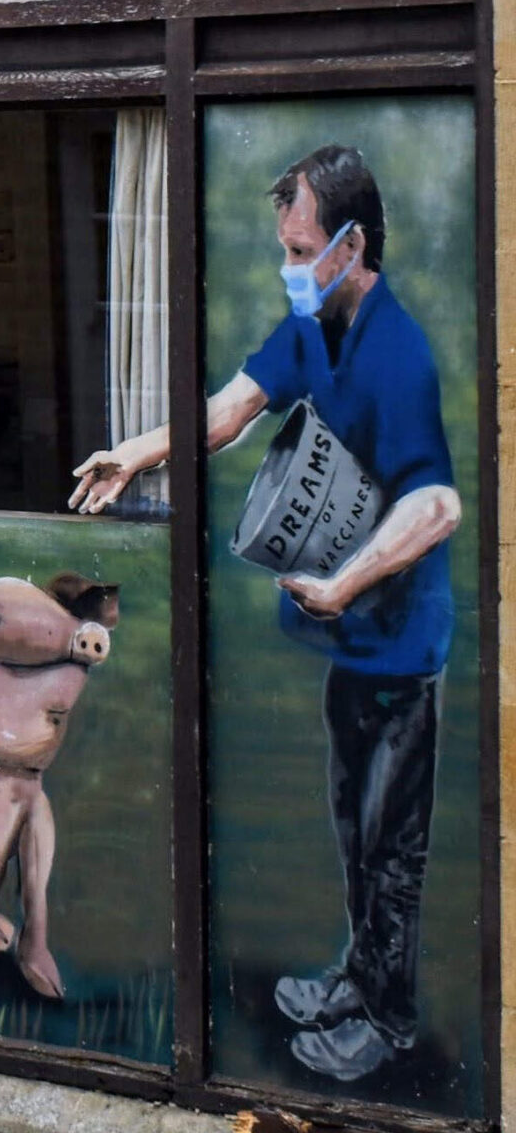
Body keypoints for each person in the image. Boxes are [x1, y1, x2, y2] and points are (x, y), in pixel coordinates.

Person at [71, 145, 460, 1082]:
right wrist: (138, 452)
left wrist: (347, 584)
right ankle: (358, 977)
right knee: (350, 832)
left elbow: (437, 505)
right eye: (283, 248)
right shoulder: (313, 330)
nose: (289, 266)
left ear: (351, 244)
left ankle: (391, 1021)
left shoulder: (398, 352)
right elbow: (232, 410)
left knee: (392, 849)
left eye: (300, 248)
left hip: (399, 652)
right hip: (351, 650)